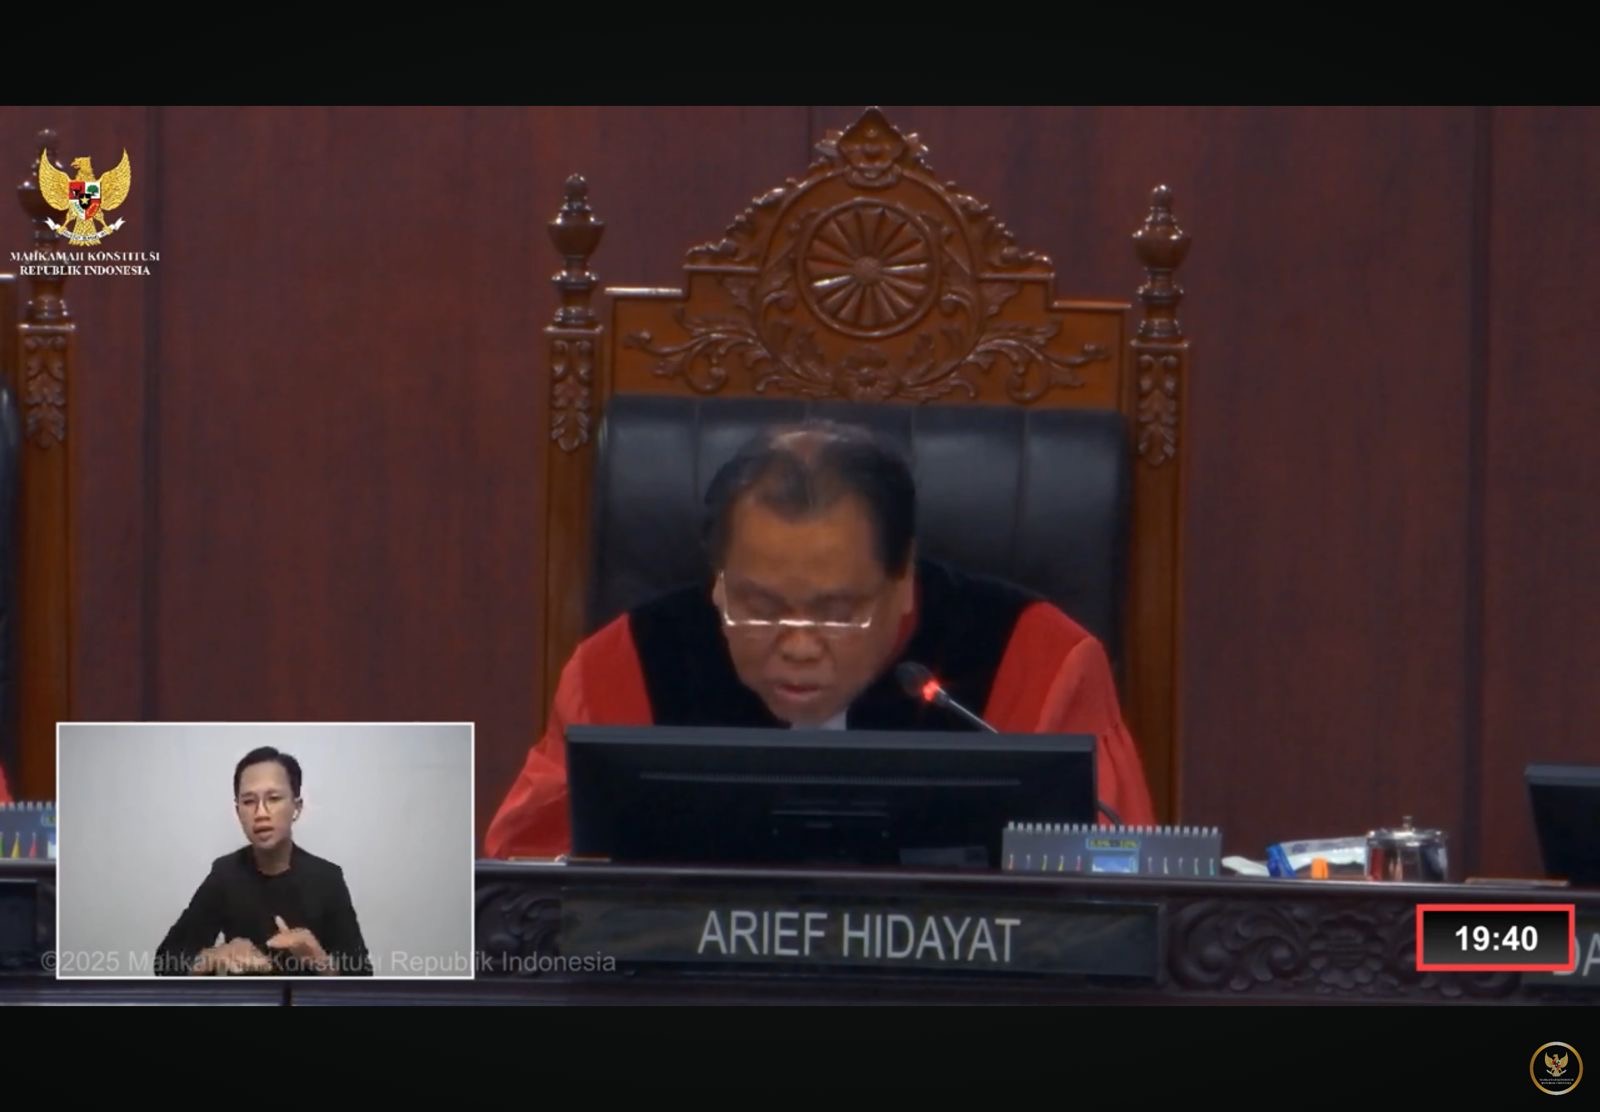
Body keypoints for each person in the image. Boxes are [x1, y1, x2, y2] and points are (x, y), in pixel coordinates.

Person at [484, 420, 1156, 860]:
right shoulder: (622, 668)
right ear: (718, 581)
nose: (800, 645)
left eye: (837, 611)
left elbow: (1115, 898)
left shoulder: (1037, 663)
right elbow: (527, 893)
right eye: (759, 606)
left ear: (903, 580)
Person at [155, 746, 372, 976]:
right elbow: (165, 962)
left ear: (296, 807)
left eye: (274, 798)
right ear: (238, 812)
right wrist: (215, 956)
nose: (260, 813)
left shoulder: (327, 879)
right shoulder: (225, 874)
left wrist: (320, 961)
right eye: (249, 801)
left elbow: (363, 978)